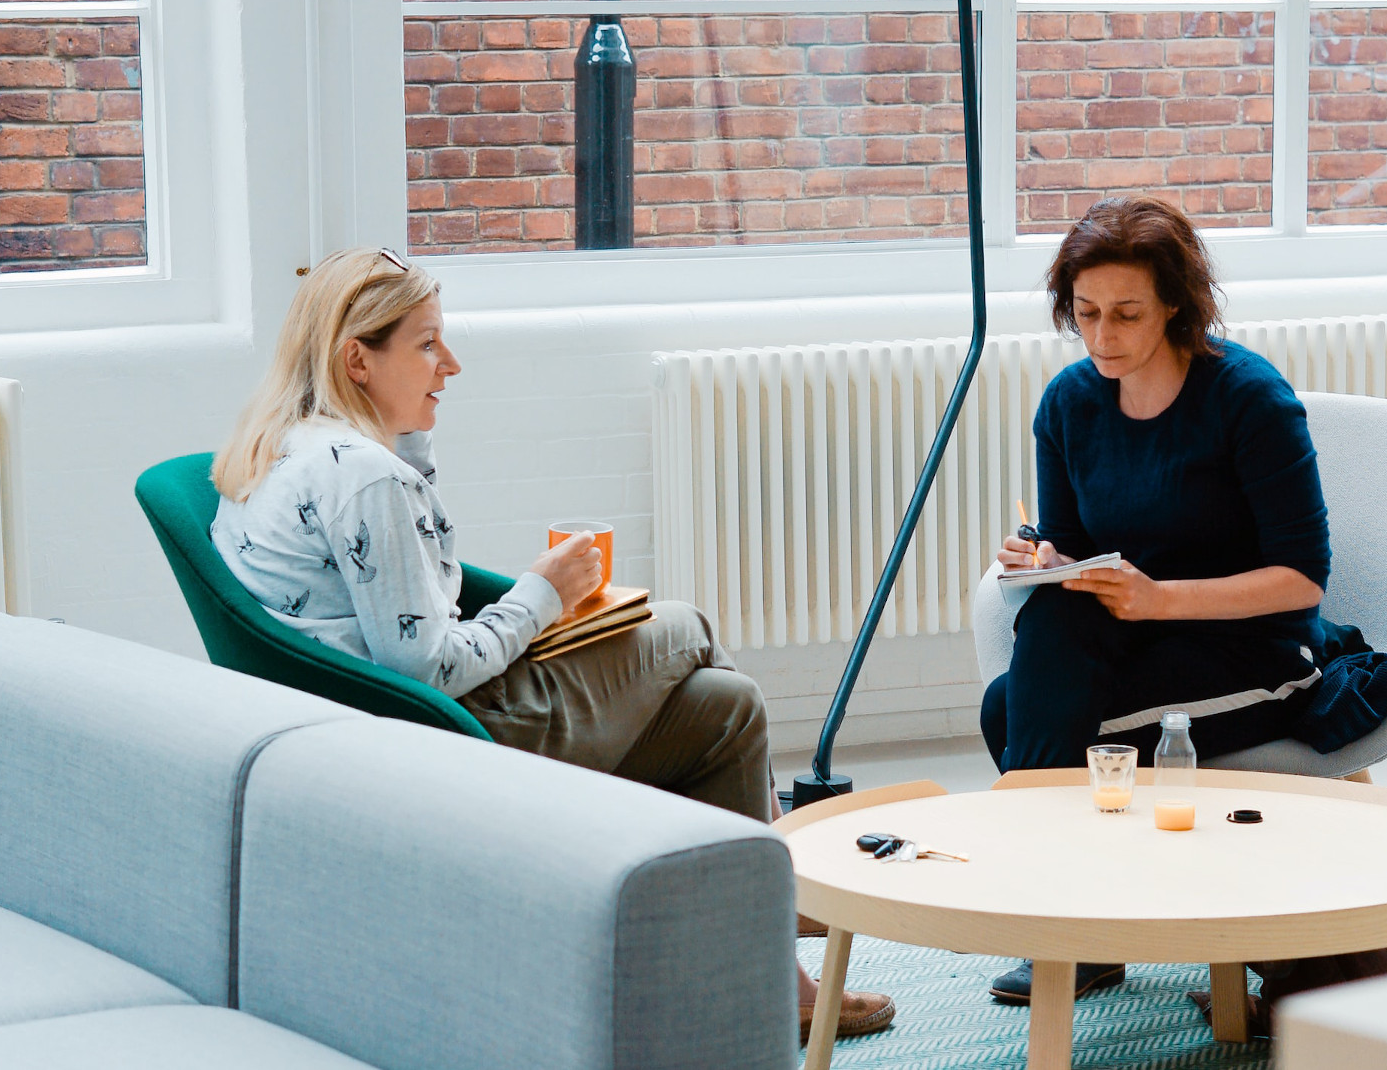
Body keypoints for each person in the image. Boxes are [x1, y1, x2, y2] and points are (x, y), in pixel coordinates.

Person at [210, 247, 892, 1041]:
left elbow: (411, 605)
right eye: (428, 344)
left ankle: (769, 975)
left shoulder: (295, 448)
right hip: (451, 737)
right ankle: (788, 896)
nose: (451, 364)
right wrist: (543, 594)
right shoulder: (367, 479)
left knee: (726, 707)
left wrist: (420, 457)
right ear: (357, 359)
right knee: (685, 625)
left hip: (379, 732)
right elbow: (424, 665)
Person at [979, 197, 1331, 1005]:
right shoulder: (1069, 403)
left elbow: (1303, 578)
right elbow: (1071, 546)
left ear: (1175, 303)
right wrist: (1042, 558)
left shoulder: (1247, 398)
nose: (1103, 336)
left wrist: (1157, 599)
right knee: (1030, 668)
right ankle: (1077, 918)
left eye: (1127, 314)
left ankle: (1063, 917)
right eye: (1086, 313)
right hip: (1137, 638)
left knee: (1015, 714)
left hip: (1256, 651)